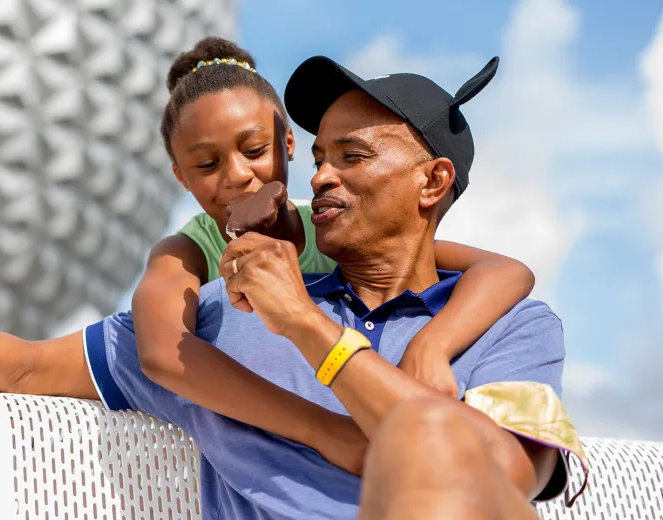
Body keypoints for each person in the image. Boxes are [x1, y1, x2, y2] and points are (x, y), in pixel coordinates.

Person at [0, 55, 594, 520]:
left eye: (352, 156)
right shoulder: (217, 318)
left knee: (456, 476)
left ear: (433, 182)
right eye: (319, 156)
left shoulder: (509, 327)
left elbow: (495, 471)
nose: (320, 175)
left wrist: (308, 328)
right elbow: (23, 367)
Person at [134, 37, 536, 403]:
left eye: (255, 149)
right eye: (207, 164)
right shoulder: (187, 253)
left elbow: (505, 271)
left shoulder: (337, 231)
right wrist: (323, 435)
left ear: (288, 144)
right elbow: (163, 352)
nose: (238, 175)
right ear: (181, 177)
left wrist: (432, 345)